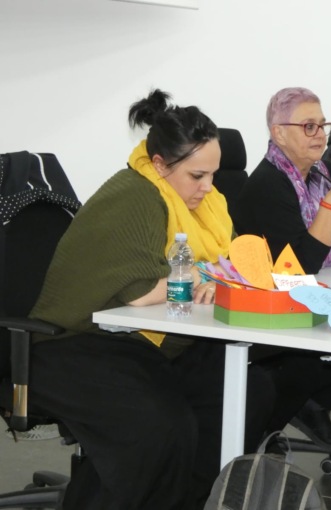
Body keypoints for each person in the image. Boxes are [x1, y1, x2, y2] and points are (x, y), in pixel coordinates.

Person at [27, 90, 276, 510]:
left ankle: (189, 499)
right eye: (197, 175)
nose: (208, 187)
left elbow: (232, 264)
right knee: (160, 425)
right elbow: (142, 291)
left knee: (248, 392)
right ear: (160, 165)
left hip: (145, 342)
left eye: (213, 174)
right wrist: (206, 275)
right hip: (72, 344)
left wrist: (215, 276)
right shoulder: (135, 195)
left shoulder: (206, 204)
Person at [232, 86, 331, 447]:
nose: (320, 134)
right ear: (279, 133)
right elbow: (299, 265)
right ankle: (270, 424)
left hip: (312, 296)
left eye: (323, 125)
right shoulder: (268, 184)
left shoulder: (320, 172)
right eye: (308, 126)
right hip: (271, 311)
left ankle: (308, 406)